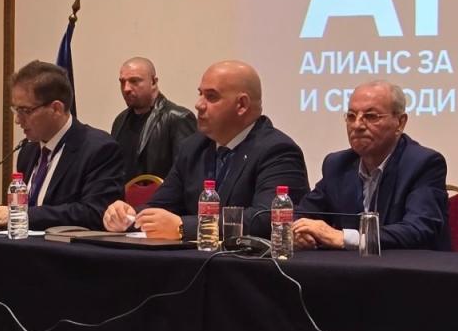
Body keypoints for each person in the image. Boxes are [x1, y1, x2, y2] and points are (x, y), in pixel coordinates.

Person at [100, 60, 307, 240]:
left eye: (211, 97)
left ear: (242, 105)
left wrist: (184, 227)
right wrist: (128, 216)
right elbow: (162, 205)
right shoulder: (193, 147)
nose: (198, 105)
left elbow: (267, 219)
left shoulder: (278, 151)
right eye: (200, 94)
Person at [292, 81, 450, 251]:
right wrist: (298, 231)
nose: (357, 125)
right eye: (351, 116)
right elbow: (302, 213)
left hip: (412, 266)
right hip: (349, 266)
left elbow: (418, 229)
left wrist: (345, 238)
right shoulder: (338, 164)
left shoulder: (423, 164)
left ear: (400, 123)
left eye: (371, 116)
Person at [0, 60, 124, 231]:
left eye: (25, 111)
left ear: (56, 109)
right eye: (16, 110)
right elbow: (30, 208)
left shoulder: (99, 149)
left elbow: (95, 212)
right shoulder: (28, 151)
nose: (17, 120)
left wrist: (23, 214)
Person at [110, 57, 197, 180]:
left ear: (153, 82)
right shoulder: (120, 120)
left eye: (134, 81)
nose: (126, 88)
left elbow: (187, 174)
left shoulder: (178, 118)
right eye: (122, 82)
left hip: (161, 192)